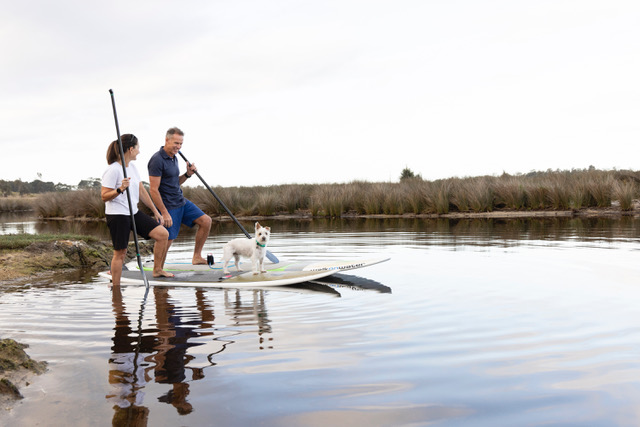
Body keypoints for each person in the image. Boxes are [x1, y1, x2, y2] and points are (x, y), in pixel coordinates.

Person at [101, 134, 172, 286]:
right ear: (131, 149)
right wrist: (120, 189)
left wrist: (155, 210)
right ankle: (116, 288)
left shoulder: (132, 167)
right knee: (120, 253)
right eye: (138, 148)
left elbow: (141, 190)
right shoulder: (113, 170)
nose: (139, 151)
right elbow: (104, 196)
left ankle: (157, 270)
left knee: (162, 234)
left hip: (133, 212)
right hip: (118, 215)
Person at [148, 127, 212, 266]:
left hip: (181, 202)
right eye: (176, 143)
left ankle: (196, 257)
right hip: (168, 206)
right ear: (167, 140)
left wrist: (187, 174)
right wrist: (164, 213)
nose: (178, 146)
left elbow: (174, 182)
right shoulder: (157, 160)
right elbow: (153, 190)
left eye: (181, 144)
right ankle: (158, 268)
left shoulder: (174, 158)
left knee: (206, 221)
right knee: (167, 239)